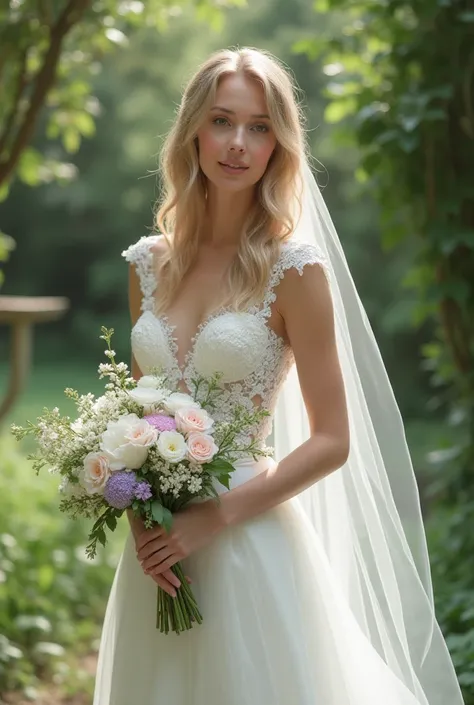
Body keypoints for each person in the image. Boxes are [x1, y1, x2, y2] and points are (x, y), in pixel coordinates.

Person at [93, 47, 464, 705]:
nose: (238, 143)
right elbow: (138, 412)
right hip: (156, 551)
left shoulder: (294, 270)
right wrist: (140, 514)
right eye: (222, 120)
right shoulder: (147, 263)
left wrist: (211, 520)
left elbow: (332, 439)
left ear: (278, 144)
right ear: (193, 131)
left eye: (260, 126)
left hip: (250, 543)